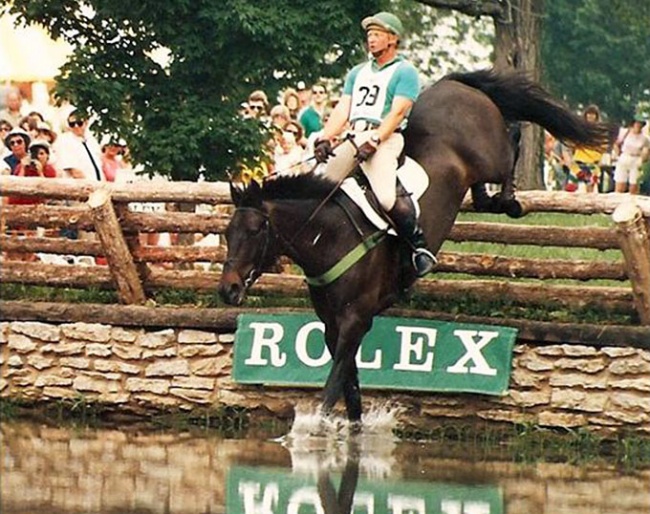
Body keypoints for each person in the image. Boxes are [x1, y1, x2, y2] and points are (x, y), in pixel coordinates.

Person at [313, 11, 436, 277]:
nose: (371, 40)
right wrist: (325, 137)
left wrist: (377, 138)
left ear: (392, 39)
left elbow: (398, 112)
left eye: (377, 35)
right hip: (354, 136)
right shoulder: (357, 72)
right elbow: (343, 109)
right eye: (369, 35)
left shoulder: (405, 72)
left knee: (386, 197)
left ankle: (417, 247)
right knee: (320, 188)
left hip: (385, 137)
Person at [53, 110, 104, 181]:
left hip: (97, 185)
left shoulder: (92, 141)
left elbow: (99, 167)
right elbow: (74, 171)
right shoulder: (64, 141)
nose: (76, 126)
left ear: (86, 122)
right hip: (79, 186)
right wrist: (91, 185)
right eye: (72, 124)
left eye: (79, 123)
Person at [564, 104, 605, 193]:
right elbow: (570, 144)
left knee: (590, 187)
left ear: (596, 116)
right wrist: (568, 158)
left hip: (592, 162)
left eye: (593, 114)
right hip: (579, 161)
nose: (591, 116)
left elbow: (602, 147)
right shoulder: (579, 129)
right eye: (589, 114)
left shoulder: (599, 131)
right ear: (585, 115)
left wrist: (600, 159)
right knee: (571, 187)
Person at [613, 116, 650, 194]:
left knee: (634, 185)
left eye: (640, 124)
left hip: (636, 159)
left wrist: (643, 160)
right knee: (620, 183)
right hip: (624, 157)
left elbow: (646, 151)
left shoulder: (645, 138)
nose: (638, 125)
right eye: (637, 123)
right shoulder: (624, 132)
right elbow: (616, 144)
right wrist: (617, 155)